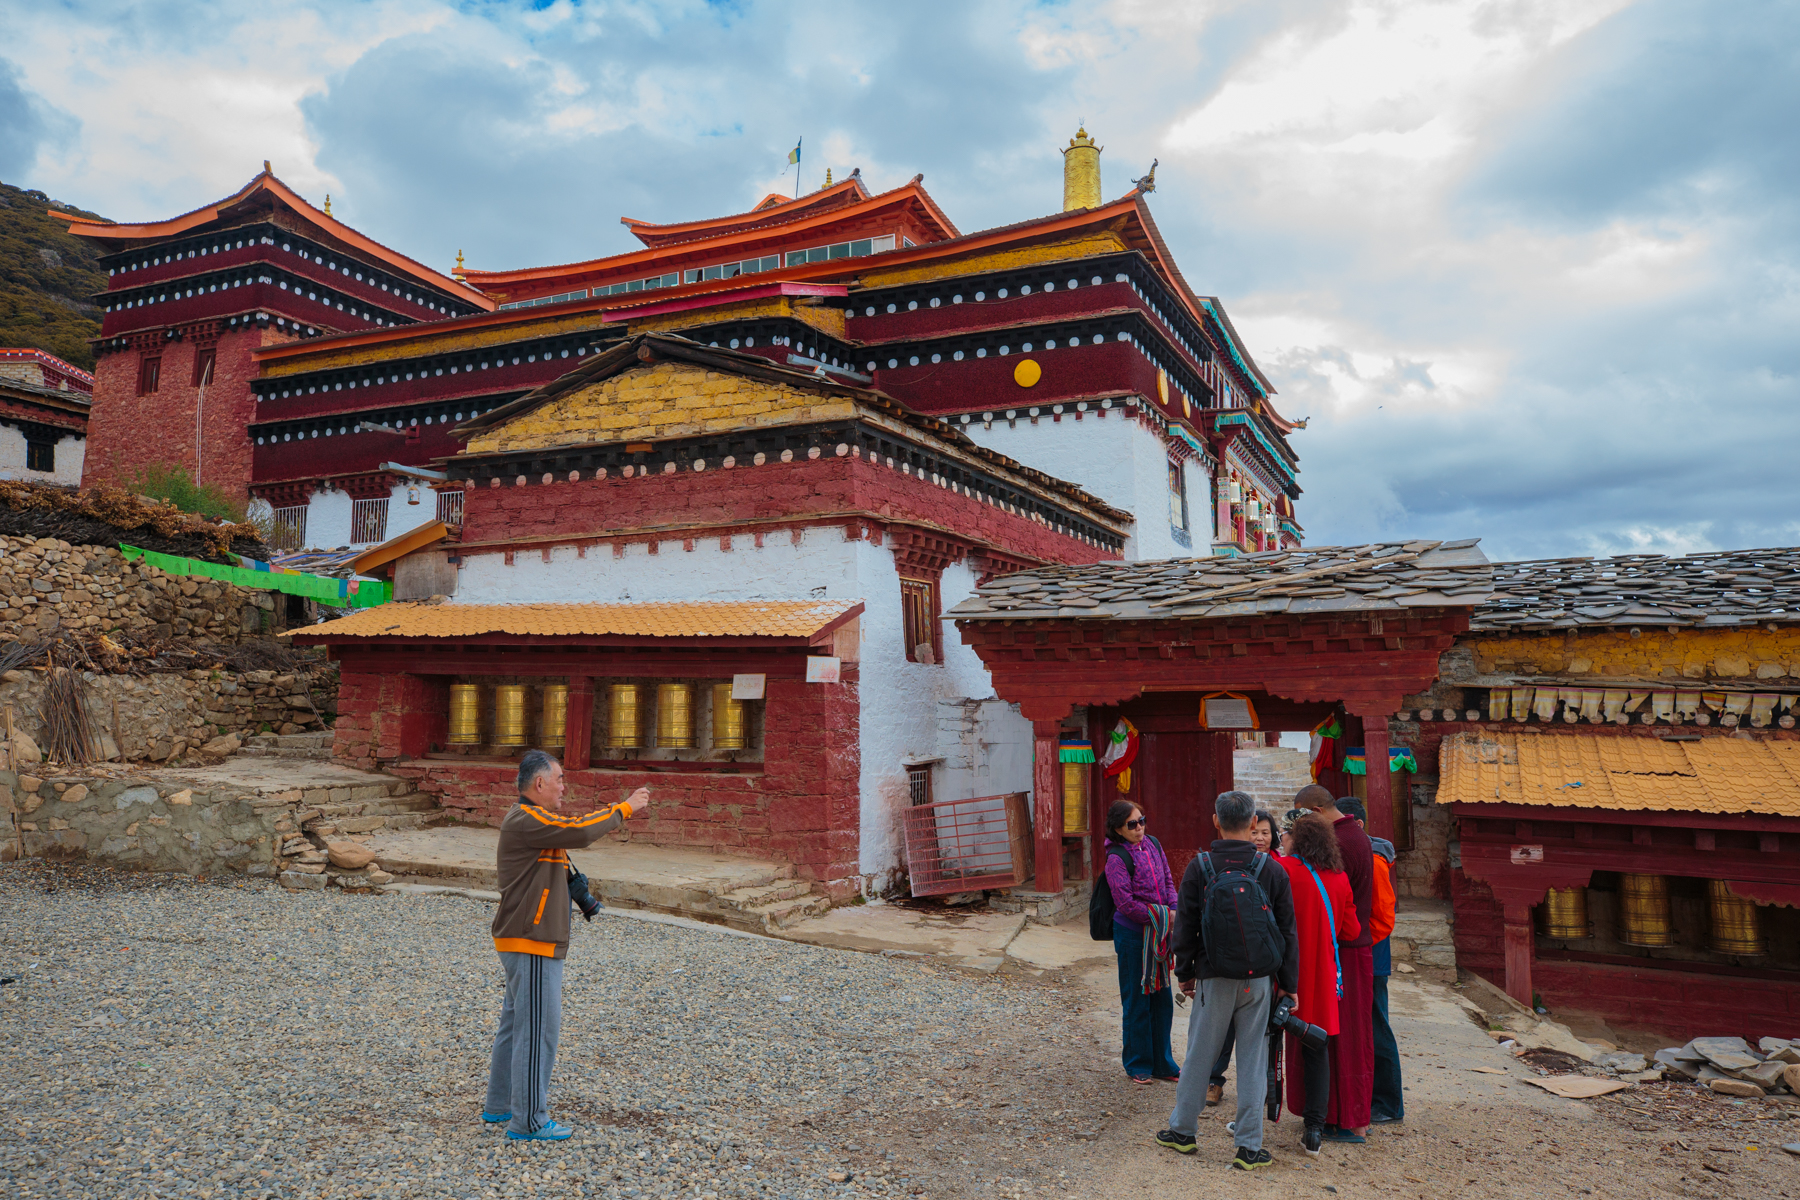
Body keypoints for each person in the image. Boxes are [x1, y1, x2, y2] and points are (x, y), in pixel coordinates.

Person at [483, 750, 649, 1141]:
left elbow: (567, 832)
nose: (564, 786)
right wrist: (624, 807)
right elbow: (581, 829)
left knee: (516, 1025)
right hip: (533, 942)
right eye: (559, 778)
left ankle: (500, 1105)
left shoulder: (532, 821)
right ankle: (529, 1122)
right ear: (539, 784)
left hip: (523, 938)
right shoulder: (528, 818)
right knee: (538, 1032)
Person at [1156, 791, 1299, 1172]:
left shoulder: (1200, 866)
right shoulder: (1271, 869)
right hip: (1261, 980)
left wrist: (1185, 973)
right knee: (1253, 1061)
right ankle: (1249, 1147)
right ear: (1254, 824)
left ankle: (1183, 1132)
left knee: (1200, 1054)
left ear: (1216, 821)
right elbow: (1287, 931)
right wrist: (1289, 984)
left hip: (1213, 976)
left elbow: (1184, 927)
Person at [1294, 784, 1376, 1143]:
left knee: (1338, 1036)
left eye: (1301, 814)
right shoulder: (1355, 834)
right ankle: (1343, 1116)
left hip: (1340, 949)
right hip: (1351, 944)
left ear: (1314, 810)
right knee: (1349, 1034)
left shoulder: (1340, 843)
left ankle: (1342, 1117)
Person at [1277, 813, 1361, 1156]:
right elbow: (1352, 931)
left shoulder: (1282, 870)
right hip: (1323, 978)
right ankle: (1313, 1131)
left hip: (1285, 974)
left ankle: (1254, 1118)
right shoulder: (1339, 878)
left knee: (1265, 1047)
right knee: (1317, 1050)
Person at [1205, 807, 1281, 1107]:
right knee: (1222, 1034)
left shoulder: (1276, 868)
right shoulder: (1213, 865)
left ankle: (1263, 1087)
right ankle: (1214, 1081)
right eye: (1256, 831)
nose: (1260, 837)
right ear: (1248, 827)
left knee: (1259, 1036)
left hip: (1261, 966)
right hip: (1223, 964)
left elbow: (1285, 925)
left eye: (1266, 832)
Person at [1102, 799, 1182, 1084]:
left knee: (1162, 998)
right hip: (1134, 936)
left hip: (1160, 933)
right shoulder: (1116, 859)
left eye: (1142, 821)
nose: (1139, 828)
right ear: (1118, 829)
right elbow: (1125, 903)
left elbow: (1168, 881)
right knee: (1137, 999)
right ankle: (1138, 1063)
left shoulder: (1153, 845)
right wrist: (1160, 917)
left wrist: (1172, 910)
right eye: (1132, 824)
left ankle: (1163, 1062)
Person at [1338, 797, 1403, 1124]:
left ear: (1357, 826)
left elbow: (1383, 919)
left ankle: (1390, 1105)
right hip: (1360, 954)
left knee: (1378, 1028)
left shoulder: (1375, 860)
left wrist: (1358, 945)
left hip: (1371, 958)